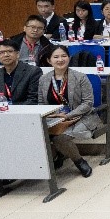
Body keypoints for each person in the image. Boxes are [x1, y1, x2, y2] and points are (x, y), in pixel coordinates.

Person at [39, 45, 98, 182]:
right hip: (54, 118)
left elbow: (88, 103)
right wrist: (52, 116)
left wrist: (67, 116)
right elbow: (41, 103)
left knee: (60, 138)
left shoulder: (80, 77)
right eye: (56, 57)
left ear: (69, 58)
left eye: (63, 56)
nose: (60, 60)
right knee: (39, 134)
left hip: (80, 117)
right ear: (49, 60)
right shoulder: (43, 79)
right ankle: (55, 157)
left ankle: (79, 161)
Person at [0, 40, 40, 106]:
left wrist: (13, 109)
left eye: (10, 51)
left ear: (18, 54)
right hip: (2, 110)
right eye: (2, 52)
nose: (6, 55)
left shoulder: (33, 71)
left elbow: (33, 100)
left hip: (26, 110)